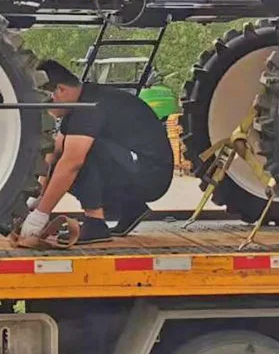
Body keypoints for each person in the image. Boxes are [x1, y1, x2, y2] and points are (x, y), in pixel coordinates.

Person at [17, 61, 175, 245]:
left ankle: (95, 223)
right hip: (139, 168)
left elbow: (71, 164)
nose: (46, 111)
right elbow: (54, 153)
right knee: (68, 153)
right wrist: (37, 200)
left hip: (151, 174)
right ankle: (131, 208)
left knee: (79, 155)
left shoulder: (90, 106)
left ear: (60, 90)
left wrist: (41, 216)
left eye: (45, 103)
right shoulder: (81, 102)